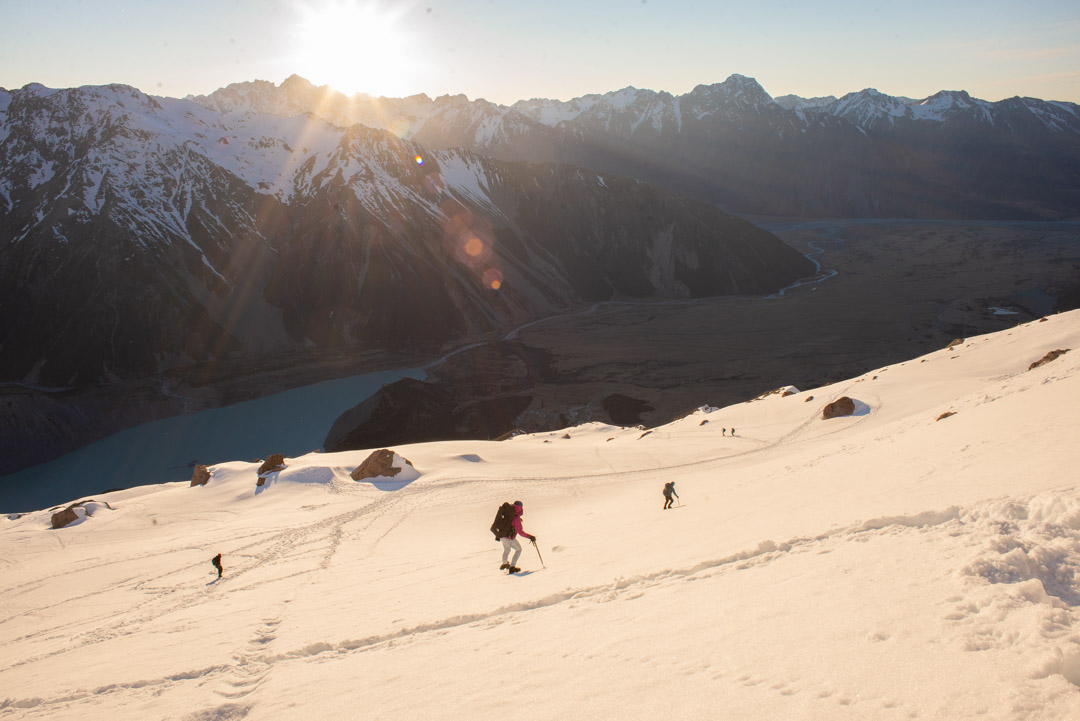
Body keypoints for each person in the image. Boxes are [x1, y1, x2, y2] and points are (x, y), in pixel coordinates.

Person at [500, 501, 536, 574]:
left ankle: (504, 564)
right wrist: (530, 537)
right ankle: (512, 567)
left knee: (507, 550)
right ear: (520, 508)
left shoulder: (507, 513)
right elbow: (520, 532)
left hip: (502, 536)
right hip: (509, 538)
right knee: (518, 549)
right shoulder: (516, 518)